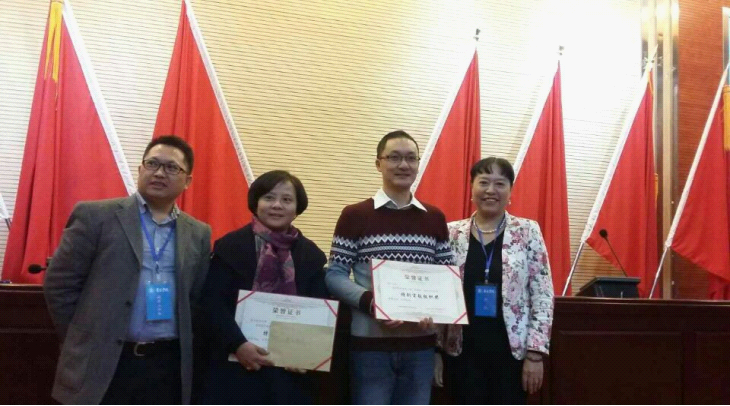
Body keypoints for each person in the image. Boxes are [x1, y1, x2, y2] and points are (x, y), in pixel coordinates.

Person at [44, 135, 212, 405]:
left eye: (171, 167)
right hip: (103, 362)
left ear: (187, 181)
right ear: (140, 169)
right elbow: (60, 285)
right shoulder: (95, 216)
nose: (159, 173)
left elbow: (195, 297)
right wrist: (82, 338)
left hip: (166, 365)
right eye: (152, 164)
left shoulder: (199, 233)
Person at [326, 130, 454, 405]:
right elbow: (334, 275)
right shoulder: (355, 215)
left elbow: (447, 278)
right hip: (370, 346)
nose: (403, 165)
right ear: (378, 163)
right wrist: (372, 302)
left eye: (411, 158)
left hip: (421, 346)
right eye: (394, 157)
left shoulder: (435, 218)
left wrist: (436, 310)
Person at [199, 170, 328, 405]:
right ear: (256, 203)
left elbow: (319, 311)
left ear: (297, 208)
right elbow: (212, 303)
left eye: (287, 199)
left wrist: (306, 354)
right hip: (235, 366)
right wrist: (238, 345)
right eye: (269, 197)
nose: (277, 205)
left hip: (291, 372)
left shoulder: (312, 256)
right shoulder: (229, 247)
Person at [438, 157, 554, 405]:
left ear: (510, 191)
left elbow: (543, 295)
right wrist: (435, 350)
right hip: (462, 353)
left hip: (511, 354)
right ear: (472, 188)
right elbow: (440, 293)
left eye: (500, 183)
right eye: (483, 182)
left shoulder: (527, 231)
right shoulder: (451, 233)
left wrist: (535, 354)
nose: (491, 190)